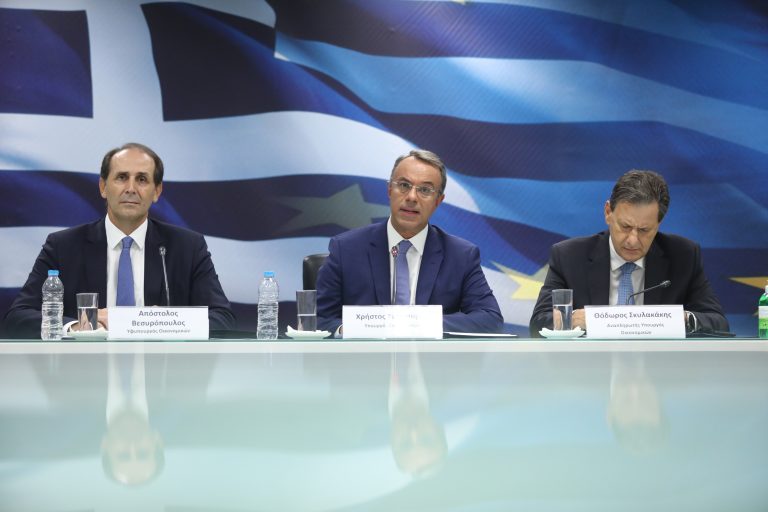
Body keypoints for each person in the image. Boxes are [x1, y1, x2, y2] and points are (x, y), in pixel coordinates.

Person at [3, 142, 236, 337]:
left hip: (162, 372)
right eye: (122, 177)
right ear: (103, 187)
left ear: (157, 191)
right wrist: (78, 325)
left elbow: (223, 319)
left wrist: (165, 321)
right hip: (83, 372)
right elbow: (18, 317)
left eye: (142, 179)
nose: (131, 188)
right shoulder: (63, 246)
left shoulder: (187, 247)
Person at [316, 149, 503, 334]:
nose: (412, 197)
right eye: (404, 185)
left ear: (438, 201)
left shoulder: (461, 256)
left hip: (430, 354)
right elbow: (318, 319)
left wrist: (418, 324)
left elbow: (490, 319)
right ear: (390, 190)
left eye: (425, 190)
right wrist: (353, 330)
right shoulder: (346, 249)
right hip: (365, 354)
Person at [529, 170, 728, 336]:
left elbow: (718, 323)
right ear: (608, 212)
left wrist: (678, 319)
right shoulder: (569, 257)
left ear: (659, 223)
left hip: (660, 368)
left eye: (644, 230)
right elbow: (538, 324)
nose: (632, 240)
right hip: (590, 367)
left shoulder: (683, 256)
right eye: (625, 226)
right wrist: (572, 320)